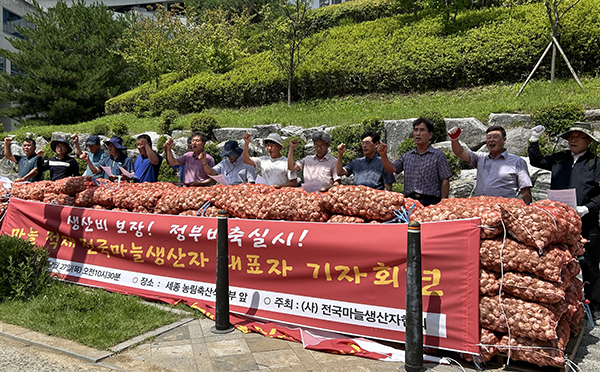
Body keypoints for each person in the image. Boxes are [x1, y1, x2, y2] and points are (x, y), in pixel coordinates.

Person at [528, 122, 600, 315]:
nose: (573, 140)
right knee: (559, 260)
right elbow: (537, 161)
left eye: (578, 136)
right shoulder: (560, 158)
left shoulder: (596, 163)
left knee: (590, 261)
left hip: (586, 220)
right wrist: (534, 140)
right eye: (570, 137)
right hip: (560, 221)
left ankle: (595, 305)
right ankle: (562, 303)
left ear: (589, 141)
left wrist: (588, 207)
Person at [449, 125, 532, 203]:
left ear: (504, 140)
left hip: (505, 210)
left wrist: (529, 208)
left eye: (495, 137)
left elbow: (525, 189)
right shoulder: (480, 158)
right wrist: (454, 139)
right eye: (488, 138)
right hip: (481, 208)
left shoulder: (517, 161)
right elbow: (460, 152)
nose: (491, 140)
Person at [379, 118, 452, 206]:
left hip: (431, 202)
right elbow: (391, 169)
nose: (418, 134)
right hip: (409, 202)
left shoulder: (439, 156)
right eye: (415, 130)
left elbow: (445, 181)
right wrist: (383, 155)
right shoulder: (406, 156)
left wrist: (443, 204)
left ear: (430, 135)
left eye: (422, 130)